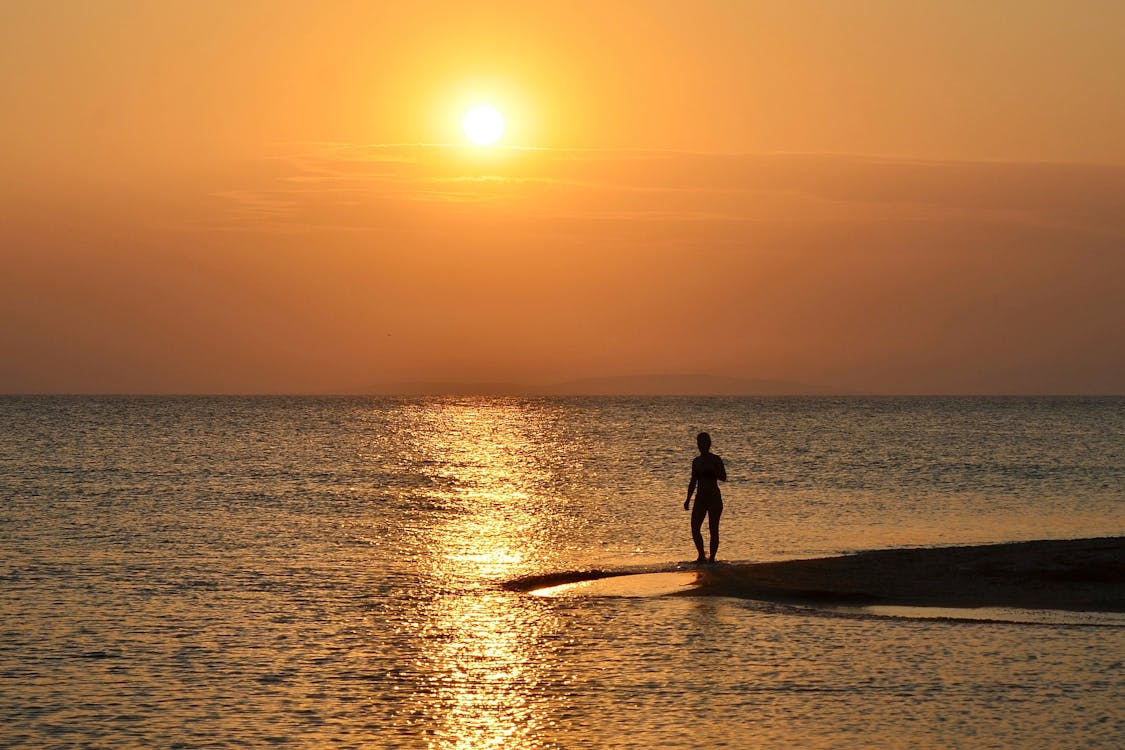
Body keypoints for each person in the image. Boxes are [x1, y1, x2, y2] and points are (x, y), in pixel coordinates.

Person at [684, 431, 726, 563]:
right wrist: (687, 499)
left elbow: (724, 477)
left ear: (708, 444)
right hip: (700, 498)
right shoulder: (696, 461)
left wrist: (713, 472)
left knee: (714, 529)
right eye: (699, 443)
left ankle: (712, 558)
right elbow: (693, 481)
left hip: (714, 498)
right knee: (695, 527)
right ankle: (701, 555)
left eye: (703, 443)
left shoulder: (715, 459)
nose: (701, 446)